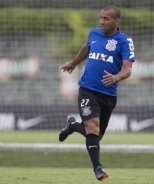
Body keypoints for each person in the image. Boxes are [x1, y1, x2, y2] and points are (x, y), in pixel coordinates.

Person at [59, 5, 135, 181]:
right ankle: (98, 169)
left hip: (108, 94)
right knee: (92, 127)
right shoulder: (94, 33)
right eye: (100, 17)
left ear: (116, 21)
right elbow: (86, 49)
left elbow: (128, 70)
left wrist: (116, 77)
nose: (101, 21)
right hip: (87, 90)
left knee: (95, 135)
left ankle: (72, 126)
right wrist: (73, 62)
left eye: (106, 19)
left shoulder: (125, 41)